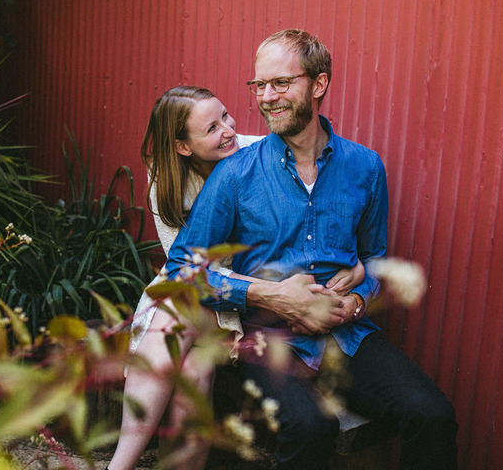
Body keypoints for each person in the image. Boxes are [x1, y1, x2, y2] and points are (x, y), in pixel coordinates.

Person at [162, 30, 458, 470]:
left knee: (433, 415)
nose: (266, 97)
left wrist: (358, 301)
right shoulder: (235, 175)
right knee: (310, 429)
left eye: (281, 83)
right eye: (259, 85)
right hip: (268, 339)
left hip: (346, 337)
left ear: (318, 85)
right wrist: (270, 296)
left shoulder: (365, 167)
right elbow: (181, 270)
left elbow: (374, 260)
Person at [106, 85, 365, 470]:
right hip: (210, 292)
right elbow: (190, 269)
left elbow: (314, 230)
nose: (228, 130)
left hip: (250, 303)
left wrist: (358, 268)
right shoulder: (166, 183)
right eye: (211, 128)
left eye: (225, 116)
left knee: (184, 351)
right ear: (182, 147)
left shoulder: (261, 153)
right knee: (185, 360)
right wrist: (272, 291)